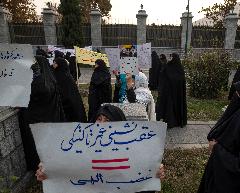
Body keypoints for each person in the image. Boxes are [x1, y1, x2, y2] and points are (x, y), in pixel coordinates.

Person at [36, 104, 165, 193]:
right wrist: (49, 174)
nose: (102, 125)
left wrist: (153, 174)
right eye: (99, 119)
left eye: (108, 120)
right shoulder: (78, 150)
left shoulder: (133, 154)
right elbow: (68, 177)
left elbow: (141, 185)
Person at [19, 55, 65, 171]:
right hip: (51, 119)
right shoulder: (50, 78)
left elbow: (32, 97)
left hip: (38, 121)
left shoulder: (39, 82)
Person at [156, 53, 187, 128]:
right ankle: (172, 121)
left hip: (172, 92)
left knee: (172, 106)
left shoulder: (174, 68)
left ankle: (174, 121)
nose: (170, 58)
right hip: (171, 92)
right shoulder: (173, 67)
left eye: (171, 57)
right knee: (170, 107)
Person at [52, 57, 87, 122]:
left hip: (68, 105)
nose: (53, 64)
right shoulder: (58, 74)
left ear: (60, 65)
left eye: (55, 63)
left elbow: (66, 93)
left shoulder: (64, 77)